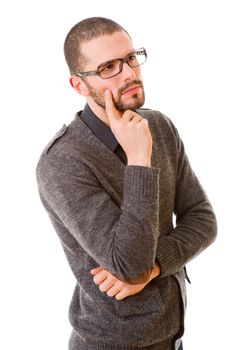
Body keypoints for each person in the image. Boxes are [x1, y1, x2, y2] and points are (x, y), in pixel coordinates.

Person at [36, 17, 217, 350]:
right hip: (111, 343)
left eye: (131, 58)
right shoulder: (62, 162)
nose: (129, 73)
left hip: (173, 335)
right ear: (79, 85)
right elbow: (129, 266)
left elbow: (203, 220)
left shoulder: (158, 125)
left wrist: (156, 267)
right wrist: (139, 160)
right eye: (108, 67)